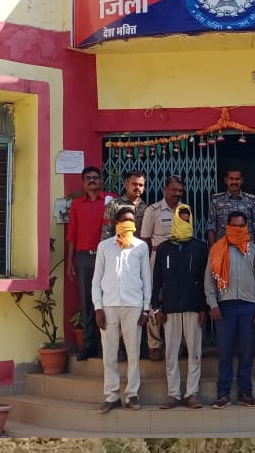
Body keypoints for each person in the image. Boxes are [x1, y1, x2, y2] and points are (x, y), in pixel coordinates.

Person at [92, 207, 152, 413]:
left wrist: (146, 309)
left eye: (131, 221)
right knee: (109, 353)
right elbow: (96, 280)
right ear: (116, 224)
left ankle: (132, 394)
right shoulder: (104, 247)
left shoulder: (141, 247)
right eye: (125, 221)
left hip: (133, 305)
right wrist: (98, 308)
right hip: (109, 306)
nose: (128, 225)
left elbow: (146, 280)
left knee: (133, 353)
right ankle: (112, 395)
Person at [204, 211, 255, 409]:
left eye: (241, 226)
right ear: (227, 227)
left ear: (246, 227)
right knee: (225, 352)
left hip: (248, 306)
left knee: (247, 351)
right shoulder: (217, 249)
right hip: (225, 306)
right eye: (234, 225)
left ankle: (245, 393)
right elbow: (209, 280)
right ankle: (223, 394)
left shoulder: (253, 250)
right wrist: (213, 304)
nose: (238, 229)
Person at [151, 204, 208, 409]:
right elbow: (157, 280)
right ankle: (173, 394)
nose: (183, 223)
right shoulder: (164, 249)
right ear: (175, 221)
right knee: (171, 353)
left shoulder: (199, 248)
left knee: (194, 352)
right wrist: (156, 307)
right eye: (180, 219)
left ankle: (191, 393)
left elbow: (205, 281)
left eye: (187, 220)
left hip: (193, 307)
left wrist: (204, 308)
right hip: (170, 307)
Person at [64, 166, 117, 361]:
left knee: (110, 300)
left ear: (101, 180)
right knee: (87, 302)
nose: (92, 180)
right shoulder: (77, 205)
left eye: (95, 177)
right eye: (88, 178)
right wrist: (70, 261)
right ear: (83, 182)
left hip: (108, 256)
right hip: (84, 258)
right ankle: (89, 346)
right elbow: (71, 235)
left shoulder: (111, 200)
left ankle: (111, 346)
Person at [140, 175, 187, 361]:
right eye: (174, 190)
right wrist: (145, 264)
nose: (177, 194)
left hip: (181, 259)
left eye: (180, 191)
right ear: (165, 189)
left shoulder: (185, 209)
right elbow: (145, 239)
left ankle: (180, 342)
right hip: (158, 258)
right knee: (155, 298)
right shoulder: (153, 210)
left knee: (180, 297)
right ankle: (154, 344)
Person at [207, 168, 255, 247]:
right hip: (223, 248)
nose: (234, 182)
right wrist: (212, 250)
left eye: (237, 179)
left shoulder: (251, 201)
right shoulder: (216, 201)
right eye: (231, 179)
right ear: (226, 180)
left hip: (246, 248)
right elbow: (211, 227)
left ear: (241, 180)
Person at [101, 170, 148, 241]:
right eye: (134, 184)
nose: (138, 187)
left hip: (138, 246)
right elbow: (107, 231)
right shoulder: (114, 205)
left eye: (141, 185)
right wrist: (106, 246)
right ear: (126, 184)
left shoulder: (146, 208)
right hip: (119, 245)